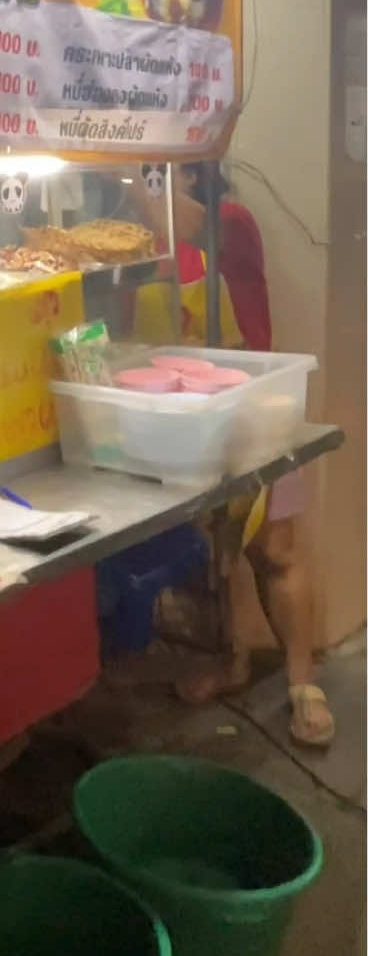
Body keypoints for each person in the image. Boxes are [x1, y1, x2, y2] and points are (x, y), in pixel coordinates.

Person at [127, 164, 333, 746]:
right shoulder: (145, 243)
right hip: (182, 421)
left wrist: (138, 179)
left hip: (257, 412)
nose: (144, 188)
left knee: (276, 550)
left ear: (189, 175)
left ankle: (301, 682)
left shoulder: (230, 223)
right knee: (206, 552)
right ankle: (230, 658)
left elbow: (186, 227)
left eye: (158, 173)